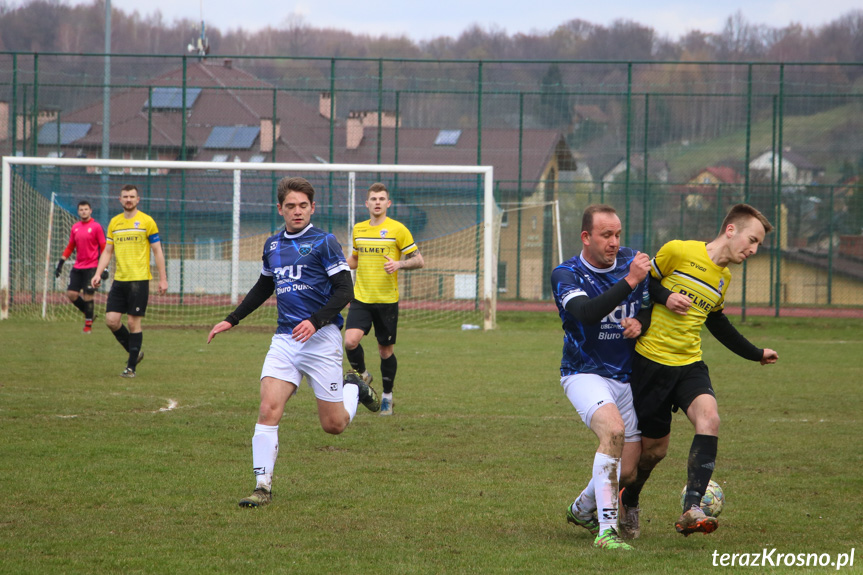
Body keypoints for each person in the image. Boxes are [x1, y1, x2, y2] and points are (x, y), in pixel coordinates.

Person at [207, 176, 381, 509]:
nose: (297, 211)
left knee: (334, 426)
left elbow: (346, 290)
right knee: (267, 409)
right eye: (290, 206)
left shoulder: (325, 242)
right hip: (285, 340)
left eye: (303, 205)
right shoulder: (272, 245)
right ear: (280, 209)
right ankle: (262, 487)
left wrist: (315, 321)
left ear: (312, 207)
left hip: (321, 338)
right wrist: (232, 319)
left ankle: (354, 388)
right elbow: (263, 287)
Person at [620, 203, 779, 538]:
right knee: (653, 452)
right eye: (752, 240)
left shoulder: (723, 278)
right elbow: (644, 285)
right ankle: (629, 498)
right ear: (731, 230)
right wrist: (667, 298)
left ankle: (692, 507)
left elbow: (716, 321)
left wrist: (755, 353)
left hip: (689, 364)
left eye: (759, 245)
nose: (753, 249)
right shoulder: (679, 251)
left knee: (710, 418)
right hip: (650, 363)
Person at [551, 204, 652, 551]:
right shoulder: (566, 273)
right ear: (586, 237)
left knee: (627, 471)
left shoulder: (630, 261)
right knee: (613, 431)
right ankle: (606, 533)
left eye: (618, 234)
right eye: (606, 235)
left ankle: (581, 508)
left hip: (626, 377)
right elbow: (587, 313)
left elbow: (651, 302)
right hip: (583, 372)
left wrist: (642, 323)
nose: (614, 242)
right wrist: (630, 280)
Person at [344, 182, 424, 416]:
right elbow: (355, 259)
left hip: (387, 300)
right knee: (350, 341)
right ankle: (364, 375)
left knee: (385, 351)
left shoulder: (398, 230)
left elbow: (419, 260)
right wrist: (333, 265)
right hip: (361, 297)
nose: (377, 202)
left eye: (381, 199)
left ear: (388, 203)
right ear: (367, 203)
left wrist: (399, 263)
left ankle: (387, 395)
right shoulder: (359, 229)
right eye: (373, 199)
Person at [91, 184, 168, 378]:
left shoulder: (146, 222)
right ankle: (135, 352)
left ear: (138, 199)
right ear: (120, 199)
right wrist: (98, 273)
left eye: (132, 197)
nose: (128, 200)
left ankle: (131, 367)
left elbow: (157, 250)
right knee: (111, 320)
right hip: (119, 280)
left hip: (139, 281)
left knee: (134, 323)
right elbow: (108, 251)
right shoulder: (114, 223)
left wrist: (163, 278)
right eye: (125, 196)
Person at [55, 200, 106, 333]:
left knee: (88, 296)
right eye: (81, 210)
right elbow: (70, 246)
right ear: (78, 212)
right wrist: (61, 263)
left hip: (92, 267)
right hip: (78, 267)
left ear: (90, 211)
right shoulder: (75, 227)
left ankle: (88, 326)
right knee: (71, 294)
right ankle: (89, 314)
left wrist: (104, 268)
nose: (83, 212)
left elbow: (104, 247)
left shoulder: (96, 227)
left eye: (86, 209)